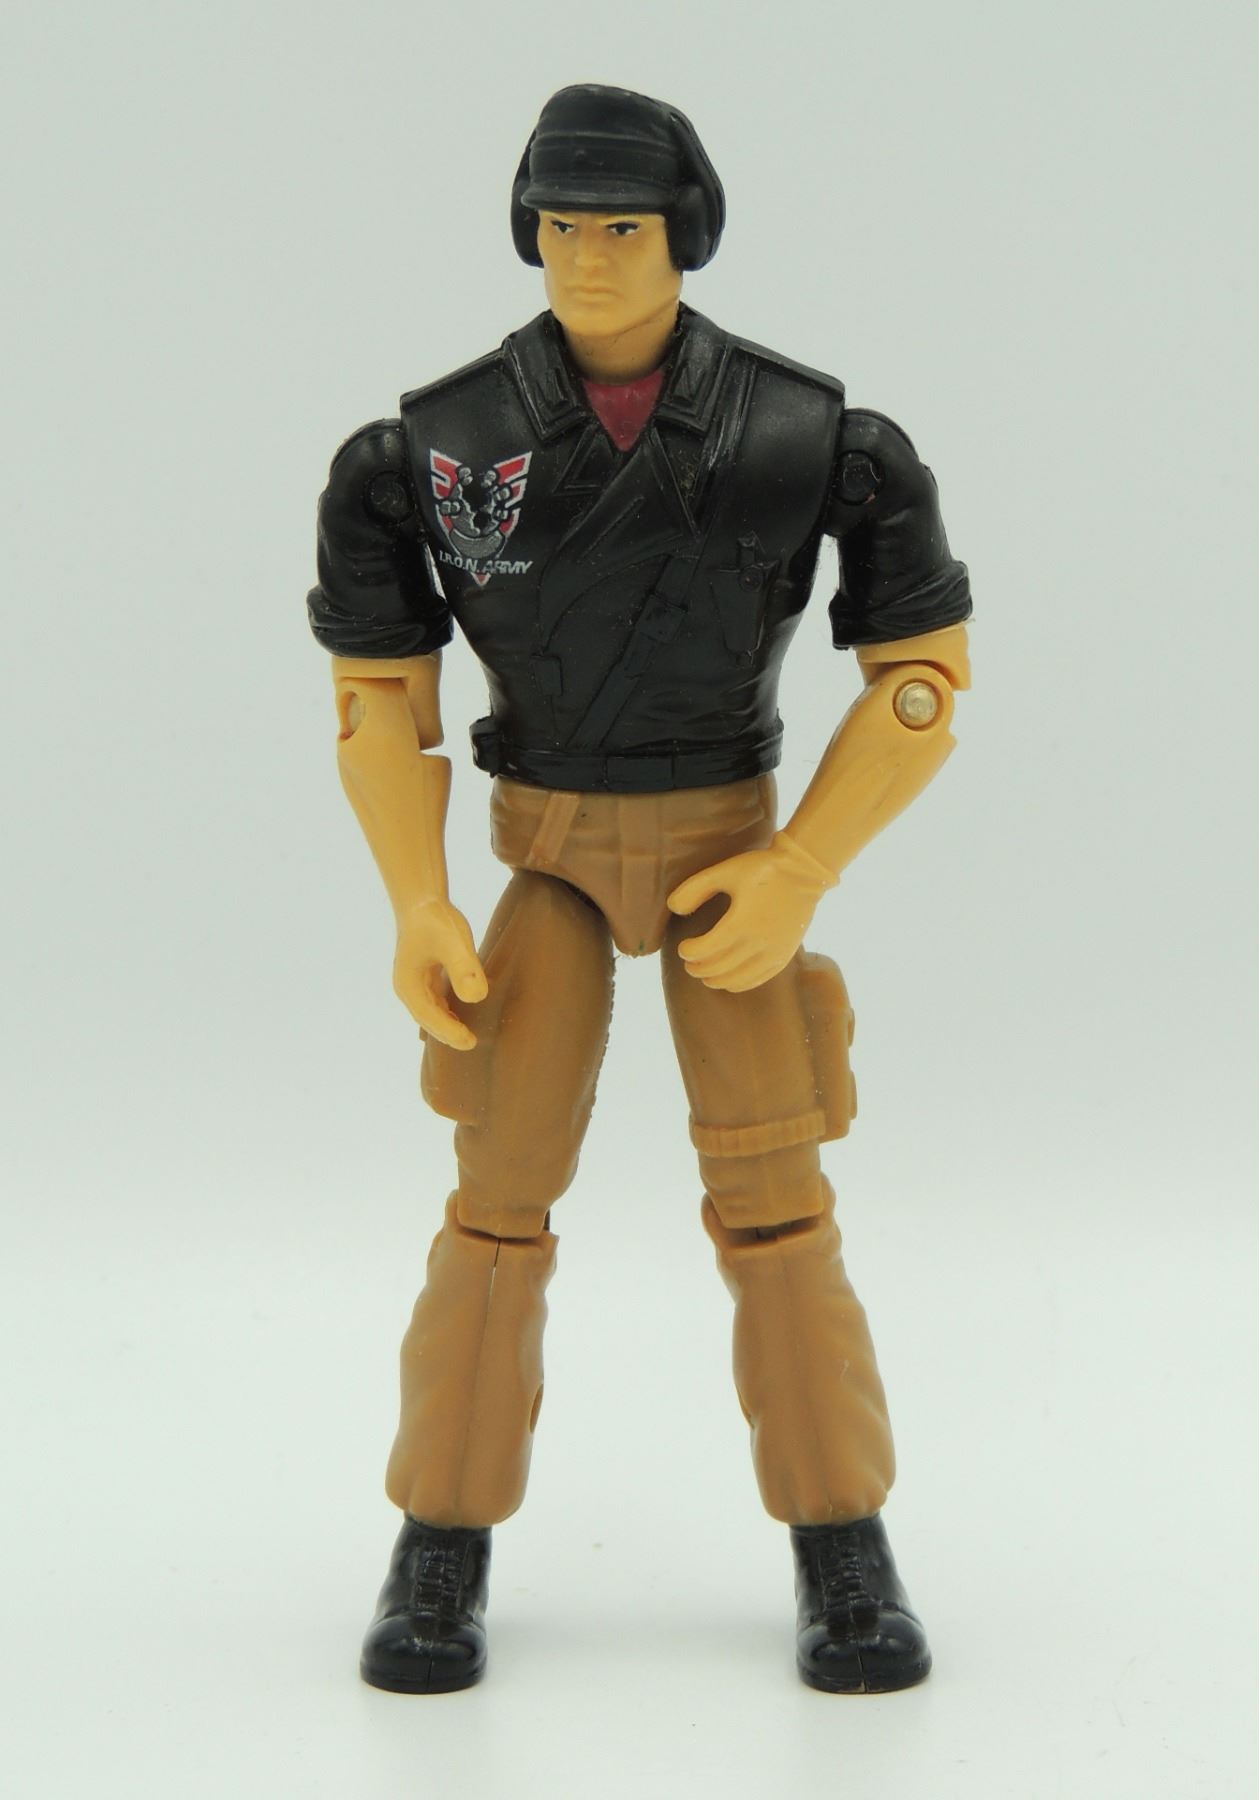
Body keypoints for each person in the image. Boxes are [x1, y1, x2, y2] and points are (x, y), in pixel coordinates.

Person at [308, 83, 972, 1696]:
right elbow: (379, 699)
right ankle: (442, 1535)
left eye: (622, 226)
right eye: (560, 225)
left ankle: (843, 1539)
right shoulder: (437, 446)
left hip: (726, 860)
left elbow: (917, 683)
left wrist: (801, 865)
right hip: (542, 854)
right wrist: (415, 900)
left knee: (778, 1202)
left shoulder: (809, 439)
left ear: (686, 234)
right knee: (496, 1197)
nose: (588, 256)